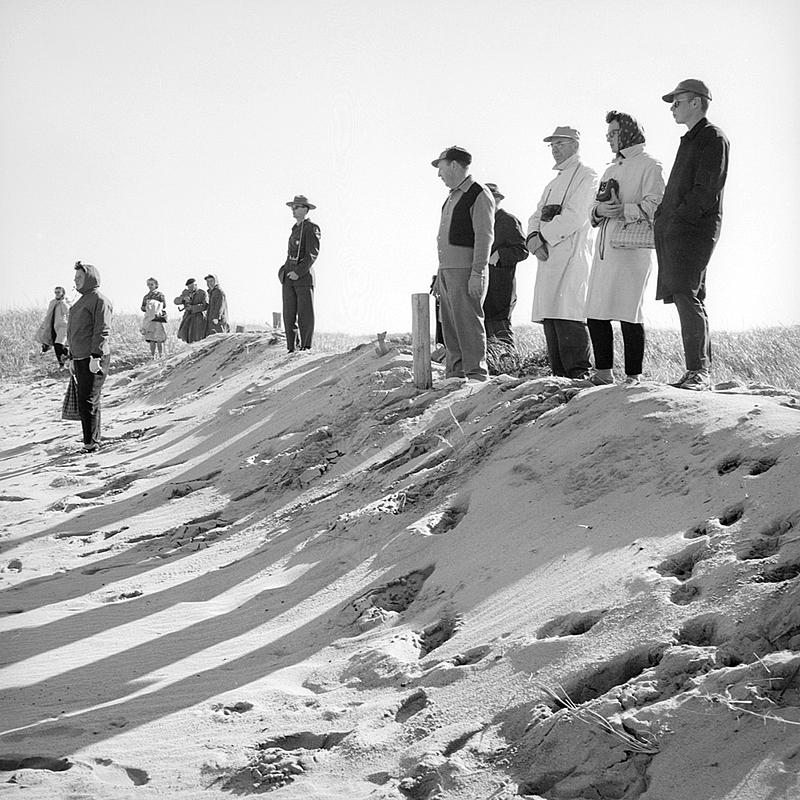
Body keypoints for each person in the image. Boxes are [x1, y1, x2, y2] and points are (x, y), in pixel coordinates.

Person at [654, 79, 730, 391]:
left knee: (687, 293)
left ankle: (699, 372)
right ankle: (698, 369)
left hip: (693, 229)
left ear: (696, 102)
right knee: (688, 294)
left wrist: (677, 219)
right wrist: (664, 217)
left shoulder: (712, 137)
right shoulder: (691, 138)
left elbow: (706, 190)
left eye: (678, 101)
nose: (672, 108)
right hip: (680, 228)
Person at [585, 111, 665, 385]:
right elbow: (595, 208)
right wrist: (598, 210)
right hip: (605, 248)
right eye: (607, 135)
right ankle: (603, 373)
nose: (608, 139)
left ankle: (634, 376)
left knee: (629, 311)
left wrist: (624, 210)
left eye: (613, 134)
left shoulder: (651, 165)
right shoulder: (610, 169)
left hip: (632, 250)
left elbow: (657, 205)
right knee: (596, 310)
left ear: (628, 132)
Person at [526, 126, 598, 379]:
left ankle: (578, 373)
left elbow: (575, 215)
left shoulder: (587, 176)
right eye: (552, 145)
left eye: (560, 143)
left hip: (571, 255)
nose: (555, 149)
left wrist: (543, 236)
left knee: (569, 312)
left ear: (575, 145)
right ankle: (558, 374)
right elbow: (536, 214)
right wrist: (533, 238)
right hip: (546, 255)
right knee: (551, 315)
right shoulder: (553, 183)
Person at [432, 145, 495, 383]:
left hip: (467, 270)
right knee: (450, 326)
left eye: (441, 168)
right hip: (447, 271)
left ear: (455, 165)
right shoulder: (450, 197)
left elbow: (484, 237)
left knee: (468, 323)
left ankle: (476, 375)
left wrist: (477, 272)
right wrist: (440, 274)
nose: (439, 175)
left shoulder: (478, 193)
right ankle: (455, 374)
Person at [66, 261, 113, 453]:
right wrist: (70, 356)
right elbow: (72, 331)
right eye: (75, 277)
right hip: (79, 357)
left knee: (88, 400)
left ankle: (90, 443)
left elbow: (102, 329)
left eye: (79, 277)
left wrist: (96, 356)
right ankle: (94, 439)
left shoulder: (100, 300)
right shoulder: (81, 300)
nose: (75, 281)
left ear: (90, 278)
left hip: (94, 357)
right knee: (89, 399)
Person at [483, 182, 528, 348]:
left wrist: (501, 255)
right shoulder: (479, 222)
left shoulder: (508, 220)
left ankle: (508, 368)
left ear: (497, 200)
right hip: (483, 288)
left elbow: (523, 249)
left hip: (501, 288)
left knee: (500, 332)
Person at [278, 195, 321, 352]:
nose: (293, 210)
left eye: (296, 207)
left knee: (305, 314)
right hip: (289, 277)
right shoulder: (295, 229)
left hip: (302, 277)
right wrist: (284, 271)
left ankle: (305, 347)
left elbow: (312, 255)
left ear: (305, 209)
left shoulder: (311, 228)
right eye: (292, 207)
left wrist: (298, 272)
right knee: (289, 314)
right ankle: (292, 347)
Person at [35, 286, 70, 368]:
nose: (57, 294)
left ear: (63, 293)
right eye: (55, 292)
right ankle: (62, 364)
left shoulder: (65, 302)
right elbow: (48, 315)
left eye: (59, 292)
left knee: (59, 344)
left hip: (63, 327)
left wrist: (63, 302)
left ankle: (66, 357)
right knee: (56, 346)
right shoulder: (52, 302)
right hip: (54, 327)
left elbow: (68, 313)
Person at [174, 278, 207, 343]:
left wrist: (192, 308)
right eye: (189, 287)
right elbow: (176, 301)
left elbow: (205, 306)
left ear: (196, 285)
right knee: (185, 335)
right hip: (187, 317)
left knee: (197, 337)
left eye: (192, 286)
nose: (190, 288)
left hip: (198, 318)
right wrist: (183, 299)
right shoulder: (185, 293)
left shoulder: (202, 293)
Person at [140, 277, 167, 358]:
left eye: (152, 284)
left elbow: (164, 305)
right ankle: (152, 356)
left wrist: (155, 306)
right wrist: (147, 308)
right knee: (151, 338)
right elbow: (142, 307)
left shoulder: (160, 295)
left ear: (156, 285)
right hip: (149, 318)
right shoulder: (146, 296)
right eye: (148, 284)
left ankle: (160, 355)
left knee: (159, 338)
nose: (150, 286)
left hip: (158, 318)